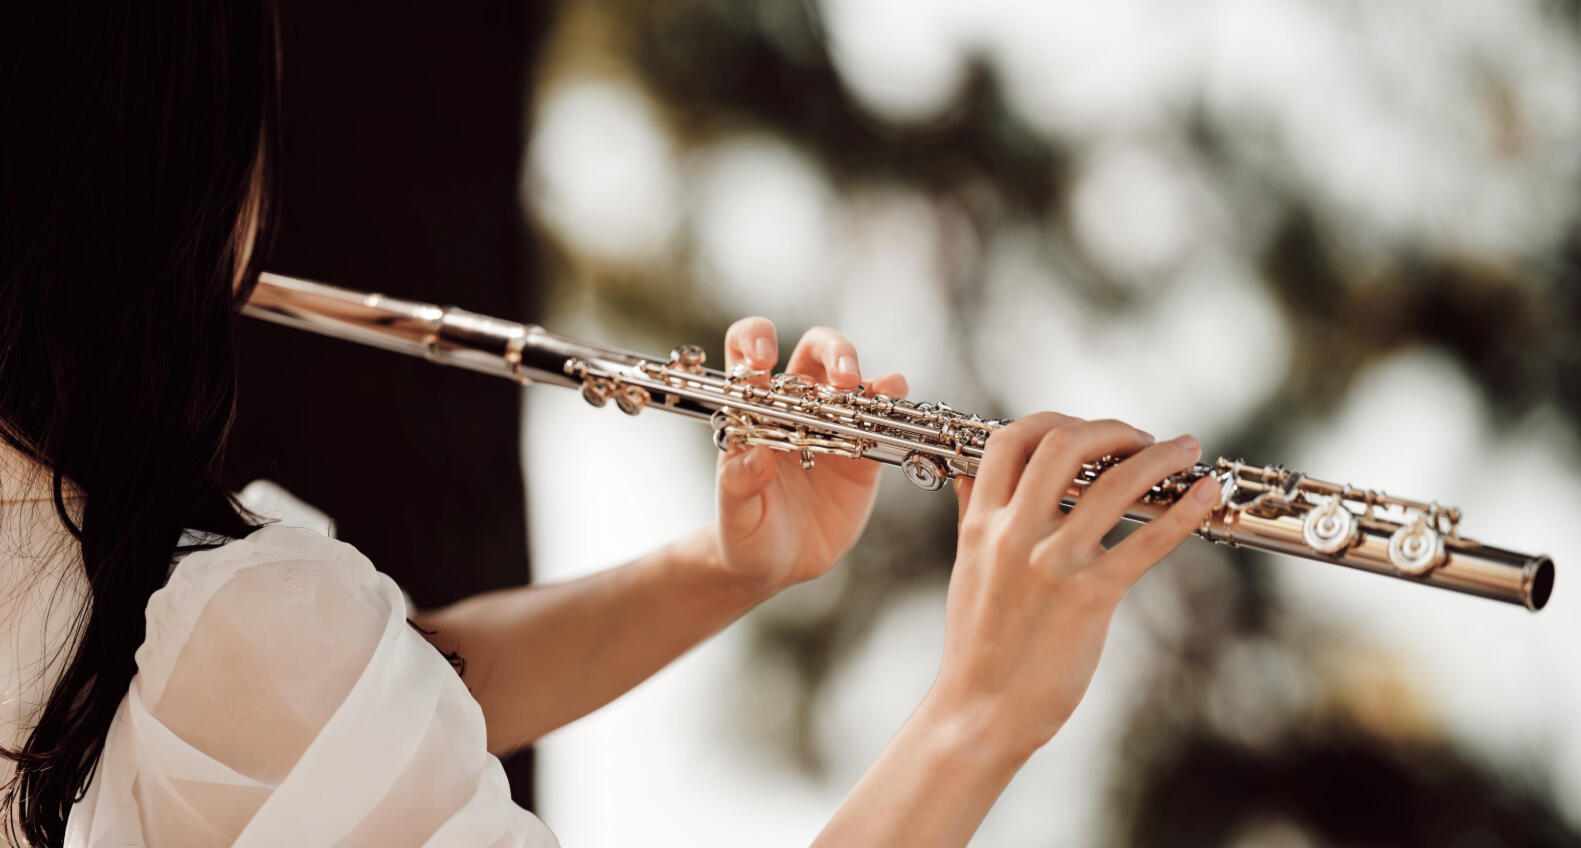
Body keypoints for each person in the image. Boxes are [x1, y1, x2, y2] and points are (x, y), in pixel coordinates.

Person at [0, 3, 1222, 846]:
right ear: (159, 167)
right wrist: (982, 707)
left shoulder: (82, 569)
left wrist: (729, 566)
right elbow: (287, 683)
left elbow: (375, 692)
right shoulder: (215, 620)